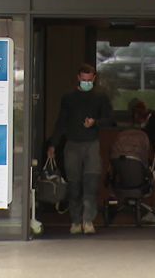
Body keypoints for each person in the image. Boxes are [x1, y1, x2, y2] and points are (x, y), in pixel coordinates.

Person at [48, 63, 113, 234]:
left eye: (89, 79)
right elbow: (61, 122)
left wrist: (95, 123)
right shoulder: (68, 98)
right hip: (72, 144)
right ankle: (76, 221)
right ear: (78, 78)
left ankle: (88, 220)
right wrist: (53, 144)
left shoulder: (101, 97)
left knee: (91, 184)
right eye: (83, 79)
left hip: (92, 143)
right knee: (74, 185)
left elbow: (110, 119)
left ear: (94, 78)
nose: (86, 82)